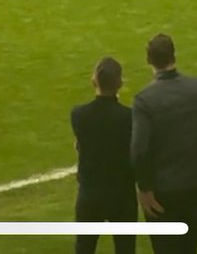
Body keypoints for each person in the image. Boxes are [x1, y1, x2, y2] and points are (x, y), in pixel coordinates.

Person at [131, 34, 197, 253]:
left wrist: (144, 188)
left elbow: (139, 150)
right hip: (194, 184)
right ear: (173, 55)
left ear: (149, 60)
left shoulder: (145, 101)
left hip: (163, 192)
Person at [72, 57, 137, 254]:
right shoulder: (129, 117)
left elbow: (81, 144)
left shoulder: (79, 114)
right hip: (122, 196)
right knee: (125, 249)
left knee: (84, 249)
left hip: (90, 194)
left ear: (94, 81)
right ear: (120, 83)